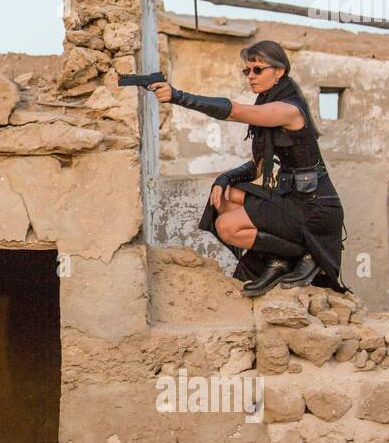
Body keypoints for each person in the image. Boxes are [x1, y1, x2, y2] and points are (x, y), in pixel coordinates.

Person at [146, 39, 350, 298]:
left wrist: (178, 97)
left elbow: (233, 112)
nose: (250, 76)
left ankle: (306, 253)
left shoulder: (288, 109)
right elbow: (257, 168)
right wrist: (223, 178)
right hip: (292, 200)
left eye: (258, 70)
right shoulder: (267, 106)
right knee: (224, 196)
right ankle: (280, 258)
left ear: (279, 71)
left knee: (227, 227)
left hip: (315, 208)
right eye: (247, 70)